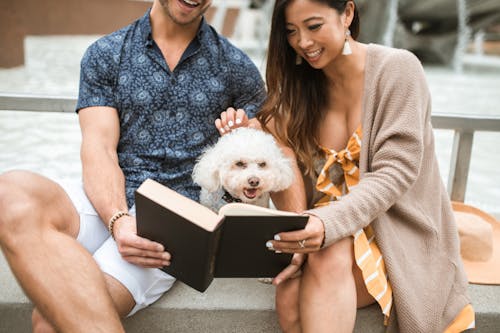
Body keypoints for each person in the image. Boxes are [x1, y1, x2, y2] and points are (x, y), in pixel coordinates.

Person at [0, 0, 265, 332]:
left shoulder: (238, 68)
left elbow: (267, 158)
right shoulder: (106, 53)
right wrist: (119, 222)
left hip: (174, 223)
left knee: (48, 323)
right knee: (9, 193)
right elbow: (99, 151)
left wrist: (247, 131)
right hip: (107, 202)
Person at [217, 0, 474, 332]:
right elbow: (280, 163)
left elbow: (396, 171)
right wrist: (247, 133)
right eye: (291, 31)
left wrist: (324, 225)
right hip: (318, 235)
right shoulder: (298, 88)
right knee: (289, 289)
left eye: (314, 26)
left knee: (329, 253)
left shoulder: (398, 69)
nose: (303, 42)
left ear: (348, 14)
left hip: (392, 234)